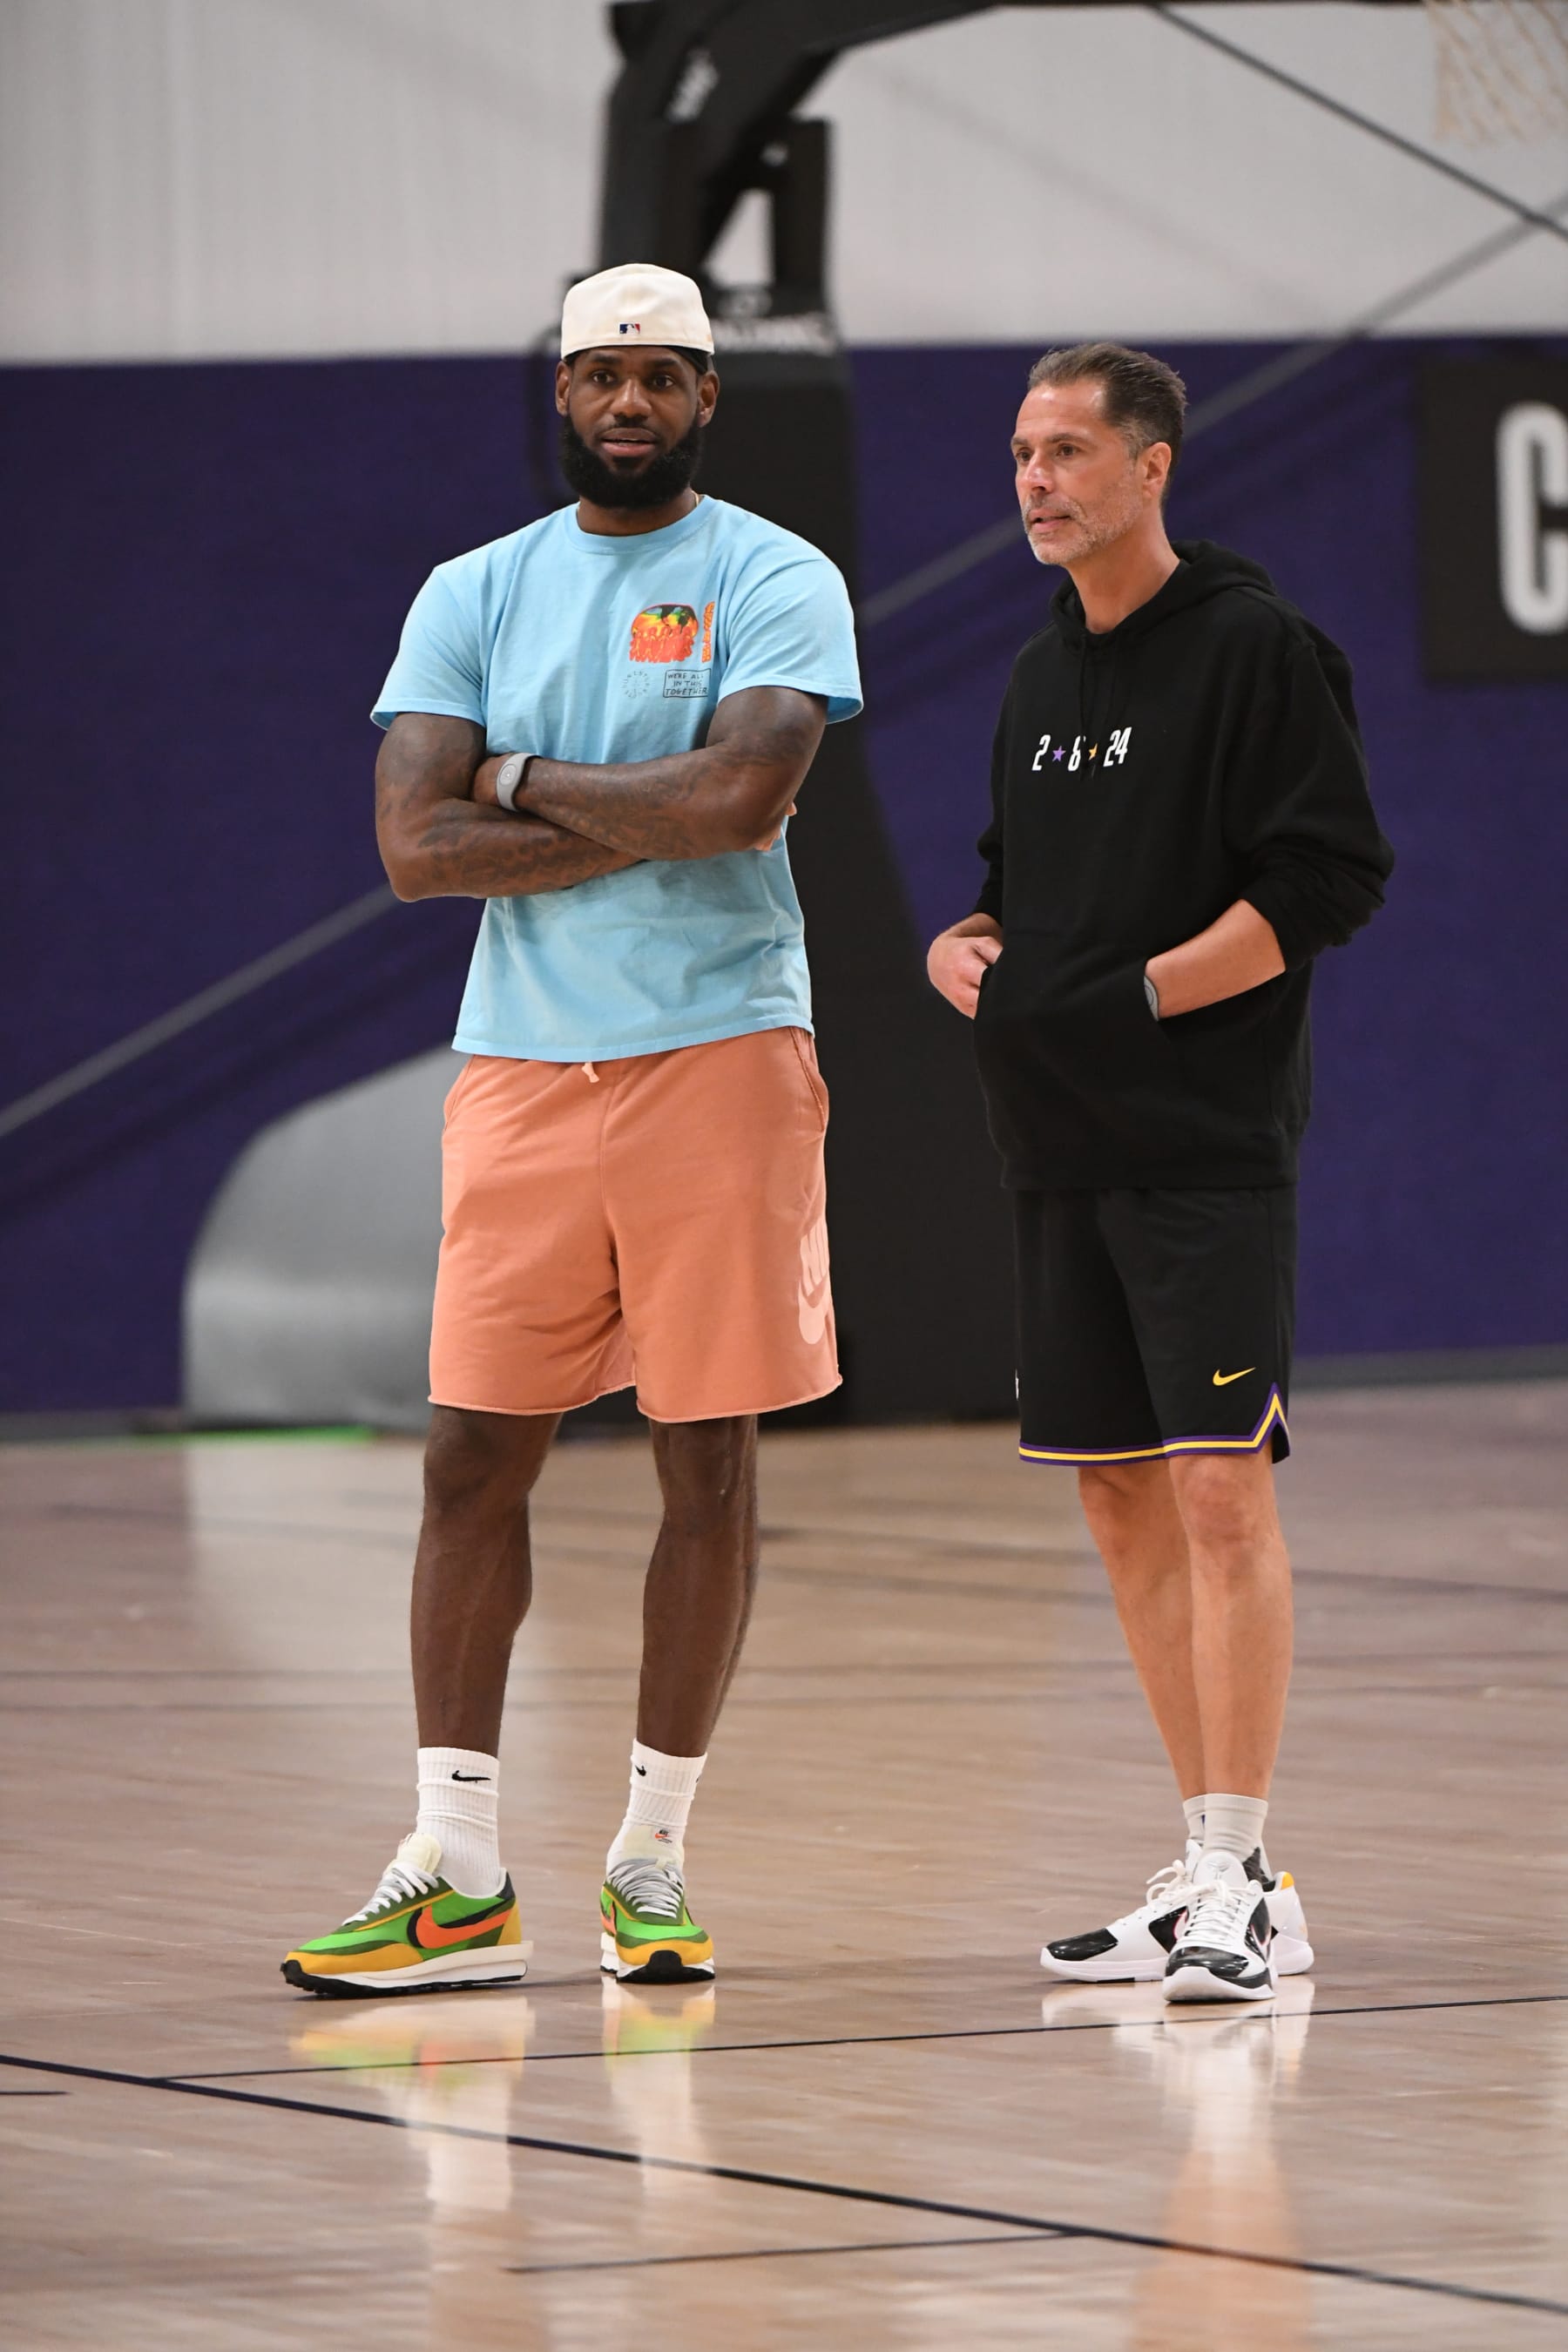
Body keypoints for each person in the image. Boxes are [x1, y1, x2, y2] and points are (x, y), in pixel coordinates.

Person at [282, 263, 861, 1997]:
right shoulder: (475, 590)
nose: (629, 402)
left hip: (722, 1051)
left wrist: (520, 778)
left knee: (708, 1460)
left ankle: (651, 1860)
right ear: (561, 391)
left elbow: (744, 797)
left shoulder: (773, 574)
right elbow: (414, 850)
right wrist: (651, 808)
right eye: (603, 375)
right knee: (471, 1456)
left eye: (661, 377)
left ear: (706, 397)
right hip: (523, 1069)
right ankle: (456, 1871)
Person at [928, 342, 1391, 2004]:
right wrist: (965, 947)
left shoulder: (1258, 650)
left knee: (1216, 1490)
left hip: (1204, 1144)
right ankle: (1217, 1868)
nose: (1036, 480)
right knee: (1120, 1496)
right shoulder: (1036, 675)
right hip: (1059, 1141)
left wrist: (1142, 1000)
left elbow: (1329, 878)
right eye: (1021, 453)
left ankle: (1238, 1873)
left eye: (1067, 451)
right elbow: (1015, 888)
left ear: (1152, 468)